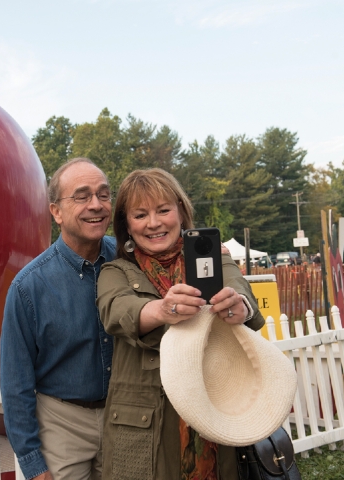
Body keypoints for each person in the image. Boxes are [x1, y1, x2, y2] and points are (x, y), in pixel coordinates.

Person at [96, 168, 265, 480]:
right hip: (143, 428)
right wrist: (162, 309)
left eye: (163, 210)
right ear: (127, 225)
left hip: (214, 411)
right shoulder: (115, 271)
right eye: (140, 214)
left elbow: (241, 292)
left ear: (181, 212)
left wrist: (238, 306)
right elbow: (117, 311)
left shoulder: (215, 259)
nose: (154, 223)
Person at [0, 158, 117, 480]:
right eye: (81, 196)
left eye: (104, 194)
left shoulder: (131, 260)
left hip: (126, 417)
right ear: (56, 211)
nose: (96, 205)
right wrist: (33, 464)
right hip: (62, 423)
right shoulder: (29, 287)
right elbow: (15, 383)